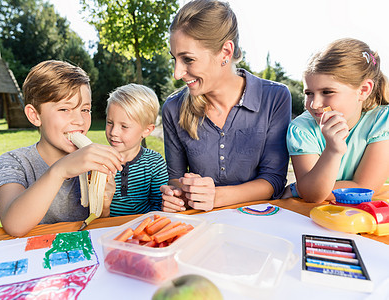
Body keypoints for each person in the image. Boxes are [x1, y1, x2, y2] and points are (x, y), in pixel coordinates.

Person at [160, 0, 292, 212]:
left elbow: (273, 181)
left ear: (225, 52)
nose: (177, 73)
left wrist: (216, 197)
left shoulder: (274, 97)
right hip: (203, 226)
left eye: (188, 59)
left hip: (259, 222)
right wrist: (178, 195)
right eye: (175, 58)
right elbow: (175, 179)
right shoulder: (173, 108)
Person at [0, 60, 123, 237]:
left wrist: (103, 205)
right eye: (65, 109)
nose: (80, 121)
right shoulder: (15, 162)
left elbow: (96, 228)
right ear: (35, 115)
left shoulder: (91, 165)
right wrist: (60, 170)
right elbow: (13, 225)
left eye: (85, 110)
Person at [284, 38, 389, 203]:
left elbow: (363, 188)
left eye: (327, 92)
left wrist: (300, 188)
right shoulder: (302, 129)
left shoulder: (383, 122)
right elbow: (312, 195)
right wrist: (332, 150)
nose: (314, 104)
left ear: (363, 90)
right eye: (309, 93)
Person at [104, 83, 169, 216]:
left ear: (146, 130)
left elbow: (159, 206)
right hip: (106, 227)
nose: (113, 132)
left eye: (124, 126)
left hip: (143, 228)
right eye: (110, 122)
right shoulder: (98, 161)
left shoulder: (154, 163)